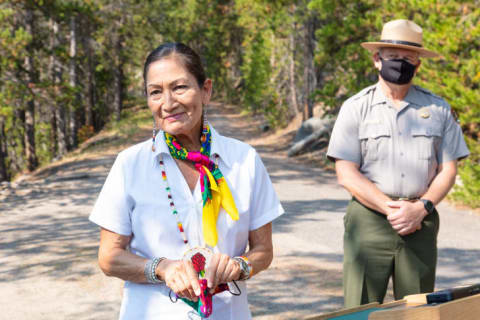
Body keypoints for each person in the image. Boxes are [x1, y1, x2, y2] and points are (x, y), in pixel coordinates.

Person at [89, 42, 284, 319]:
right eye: (155, 92)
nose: (167, 103)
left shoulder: (244, 160)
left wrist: (239, 266)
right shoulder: (130, 165)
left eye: (179, 87)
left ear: (206, 90)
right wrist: (162, 268)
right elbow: (109, 257)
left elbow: (263, 251)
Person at [326, 19, 470, 307]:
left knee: (417, 309)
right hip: (369, 221)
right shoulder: (356, 108)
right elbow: (346, 172)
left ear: (418, 65)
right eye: (394, 57)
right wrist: (390, 208)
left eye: (408, 58)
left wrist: (421, 208)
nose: (401, 64)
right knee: (360, 307)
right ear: (378, 60)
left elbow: (448, 169)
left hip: (420, 221)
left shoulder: (438, 109)